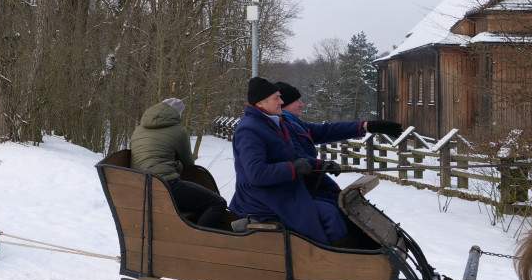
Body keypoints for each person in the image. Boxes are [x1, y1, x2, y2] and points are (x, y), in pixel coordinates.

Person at [229, 77, 348, 245]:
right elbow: (256, 174)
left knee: (335, 203)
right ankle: (329, 262)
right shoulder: (249, 130)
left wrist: (319, 165)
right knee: (329, 215)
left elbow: (291, 157)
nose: (282, 102)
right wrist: (292, 169)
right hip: (260, 197)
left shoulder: (273, 121)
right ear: (260, 103)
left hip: (280, 190)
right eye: (276, 98)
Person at [275, 81, 403, 205]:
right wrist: (321, 164)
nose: (301, 104)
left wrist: (367, 126)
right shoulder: (283, 126)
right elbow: (296, 156)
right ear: (284, 104)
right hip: (305, 187)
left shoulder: (294, 124)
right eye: (297, 101)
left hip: (312, 183)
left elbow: (327, 130)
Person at [130, 97, 228, 229]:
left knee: (200, 201)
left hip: (140, 186)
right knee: (217, 203)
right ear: (177, 114)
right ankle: (199, 242)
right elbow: (188, 164)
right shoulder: (178, 131)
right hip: (166, 186)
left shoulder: (139, 130)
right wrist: (176, 165)